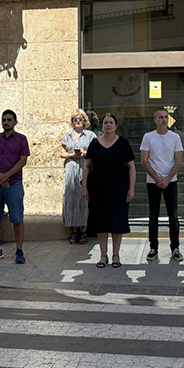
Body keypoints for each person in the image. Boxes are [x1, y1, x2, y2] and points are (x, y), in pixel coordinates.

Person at [82, 113, 136, 269]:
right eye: (105, 122)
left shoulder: (123, 143)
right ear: (102, 125)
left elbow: (131, 167)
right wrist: (84, 186)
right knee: (101, 223)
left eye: (111, 122)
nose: (108, 125)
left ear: (116, 126)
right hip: (98, 190)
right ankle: (103, 255)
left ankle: (116, 255)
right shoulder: (94, 143)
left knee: (117, 223)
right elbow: (86, 166)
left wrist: (131, 188)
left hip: (119, 189)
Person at [0, 109, 31, 264]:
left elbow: (23, 160)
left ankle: (19, 250)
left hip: (14, 183)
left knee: (17, 218)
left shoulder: (21, 139)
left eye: (9, 120)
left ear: (15, 122)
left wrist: (7, 175)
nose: (6, 122)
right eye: (4, 119)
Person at [140, 107, 183, 261]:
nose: (163, 120)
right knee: (153, 215)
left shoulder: (175, 137)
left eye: (165, 117)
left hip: (171, 182)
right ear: (155, 120)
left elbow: (178, 161)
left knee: (173, 216)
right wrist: (158, 178)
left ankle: (175, 248)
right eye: (160, 117)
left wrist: (167, 178)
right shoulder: (148, 137)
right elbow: (144, 161)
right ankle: (153, 248)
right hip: (153, 182)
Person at [59, 108, 95, 245]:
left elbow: (96, 151)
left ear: (84, 121)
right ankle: (74, 231)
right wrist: (71, 155)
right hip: (71, 167)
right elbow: (61, 152)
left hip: (85, 168)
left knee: (84, 199)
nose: (78, 121)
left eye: (80, 119)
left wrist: (87, 153)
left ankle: (84, 231)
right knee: (71, 198)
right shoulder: (67, 135)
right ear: (72, 121)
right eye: (75, 119)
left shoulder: (90, 135)